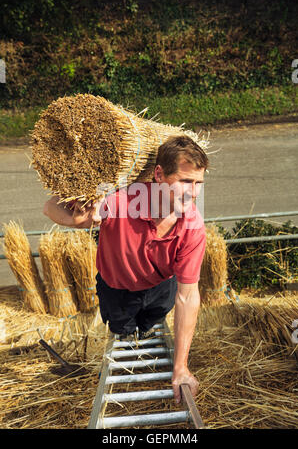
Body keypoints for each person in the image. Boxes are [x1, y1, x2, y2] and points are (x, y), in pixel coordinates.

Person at [43, 135, 208, 403]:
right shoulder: (119, 200)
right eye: (185, 181)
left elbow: (188, 295)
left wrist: (180, 367)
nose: (193, 192)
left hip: (161, 288)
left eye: (199, 182)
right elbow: (49, 207)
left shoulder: (193, 227)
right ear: (158, 174)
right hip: (117, 290)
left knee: (151, 321)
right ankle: (129, 334)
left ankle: (145, 329)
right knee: (123, 329)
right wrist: (80, 218)